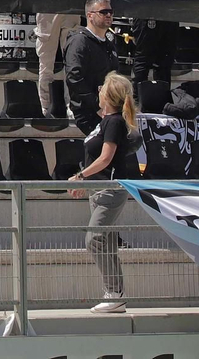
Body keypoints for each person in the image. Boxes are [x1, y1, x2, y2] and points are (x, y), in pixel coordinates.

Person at [68, 73, 141, 314]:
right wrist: (85, 182)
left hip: (110, 189)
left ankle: (114, 293)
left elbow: (106, 158)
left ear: (108, 96)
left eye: (102, 89)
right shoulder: (105, 120)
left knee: (94, 239)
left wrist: (81, 176)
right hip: (98, 190)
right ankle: (114, 294)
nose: (98, 91)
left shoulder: (114, 122)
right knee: (107, 243)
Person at [64, 0, 117, 135]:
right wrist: (97, 106)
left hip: (109, 111)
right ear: (90, 15)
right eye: (103, 12)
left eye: (110, 12)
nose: (109, 15)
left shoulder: (109, 44)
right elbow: (74, 77)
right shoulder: (79, 41)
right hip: (89, 113)